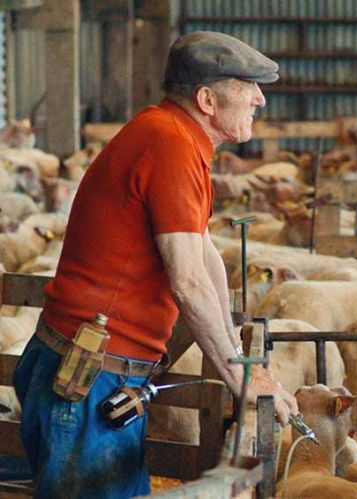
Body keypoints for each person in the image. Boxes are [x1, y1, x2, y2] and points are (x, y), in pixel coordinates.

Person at [12, 31, 299, 498]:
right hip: (88, 381)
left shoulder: (176, 139)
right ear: (207, 99)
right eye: (249, 86)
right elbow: (185, 281)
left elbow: (205, 259)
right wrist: (240, 376)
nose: (260, 99)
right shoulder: (169, 145)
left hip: (95, 374)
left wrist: (246, 367)